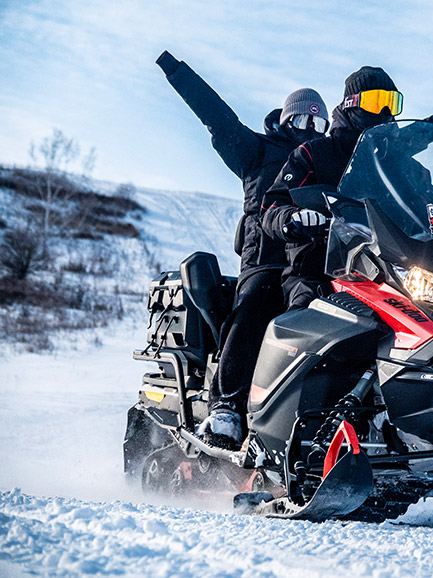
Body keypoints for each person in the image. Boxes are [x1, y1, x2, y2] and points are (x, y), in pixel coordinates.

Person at [155, 50, 330, 450]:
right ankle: (227, 407)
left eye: (319, 123)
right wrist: (178, 72)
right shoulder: (257, 151)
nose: (312, 129)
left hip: (311, 265)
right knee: (255, 304)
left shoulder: (326, 161)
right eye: (304, 120)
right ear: (287, 120)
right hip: (266, 262)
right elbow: (217, 117)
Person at [261, 65, 433, 309]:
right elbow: (273, 206)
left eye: (392, 102)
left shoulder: (407, 168)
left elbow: (431, 210)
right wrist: (292, 218)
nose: (385, 110)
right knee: (304, 317)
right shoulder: (315, 154)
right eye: (375, 101)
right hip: (323, 272)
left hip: (397, 278)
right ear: (352, 104)